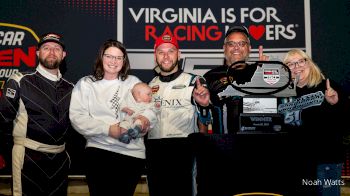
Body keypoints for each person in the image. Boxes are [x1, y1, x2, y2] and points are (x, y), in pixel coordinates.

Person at [69, 39, 156, 196]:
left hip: (131, 154)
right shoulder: (86, 84)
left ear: (124, 61)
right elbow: (77, 118)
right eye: (109, 56)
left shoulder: (133, 82)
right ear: (101, 57)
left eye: (118, 58)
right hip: (99, 151)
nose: (113, 61)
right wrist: (109, 130)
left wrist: (144, 121)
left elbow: (149, 109)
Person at [0, 32, 74, 196]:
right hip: (27, 158)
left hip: (60, 161)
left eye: (56, 48)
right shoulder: (19, 81)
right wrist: (8, 153)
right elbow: (3, 121)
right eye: (46, 48)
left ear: (63, 55)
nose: (52, 52)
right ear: (37, 53)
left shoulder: (71, 88)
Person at [145, 33, 210, 196]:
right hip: (154, 151)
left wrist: (203, 106)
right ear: (155, 56)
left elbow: (207, 119)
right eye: (161, 52)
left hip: (184, 150)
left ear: (179, 54)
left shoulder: (194, 81)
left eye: (171, 51)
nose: (166, 56)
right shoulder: (149, 85)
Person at [279, 49, 347, 196]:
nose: (296, 67)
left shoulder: (328, 87)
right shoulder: (282, 94)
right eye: (290, 64)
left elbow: (344, 122)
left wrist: (336, 104)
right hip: (295, 164)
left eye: (300, 62)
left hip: (326, 163)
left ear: (309, 63)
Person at [203, 25, 269, 134]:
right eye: (231, 44)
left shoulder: (260, 71)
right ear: (224, 48)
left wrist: (266, 73)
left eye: (242, 44)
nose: (236, 48)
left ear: (249, 48)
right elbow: (203, 115)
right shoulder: (210, 76)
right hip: (222, 144)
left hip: (256, 142)